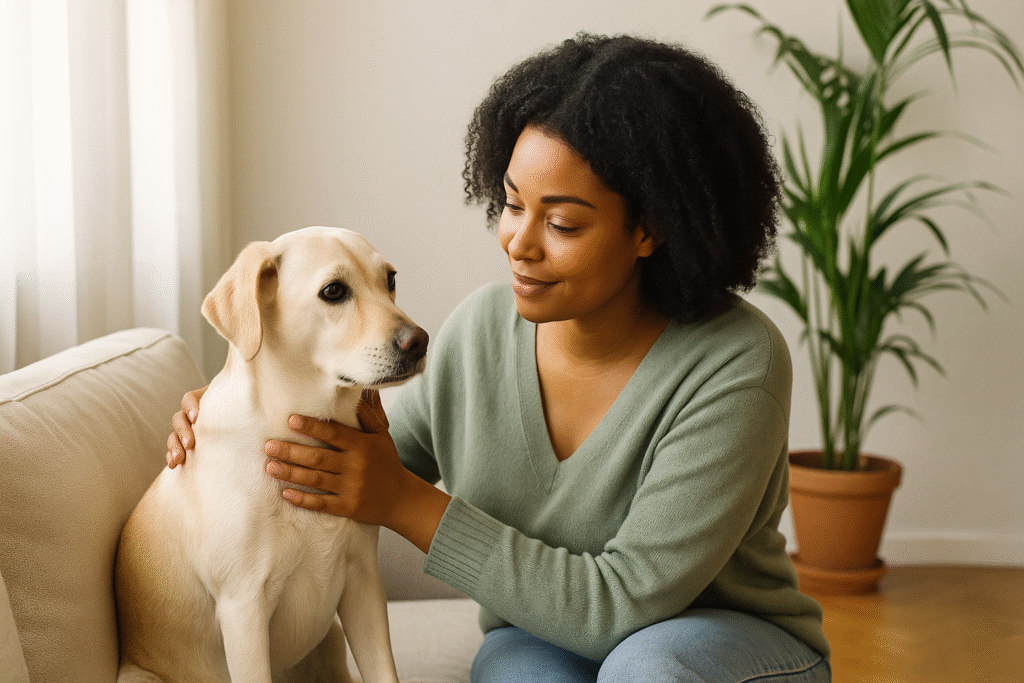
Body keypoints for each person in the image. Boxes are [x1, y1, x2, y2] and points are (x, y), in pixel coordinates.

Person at [168, 33, 831, 683]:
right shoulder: (481, 331)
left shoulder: (737, 363)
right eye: (513, 204)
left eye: (563, 223)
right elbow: (356, 461)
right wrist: (234, 423)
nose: (519, 241)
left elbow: (622, 605)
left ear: (651, 227)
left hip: (725, 641)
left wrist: (403, 500)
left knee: (645, 668)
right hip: (537, 634)